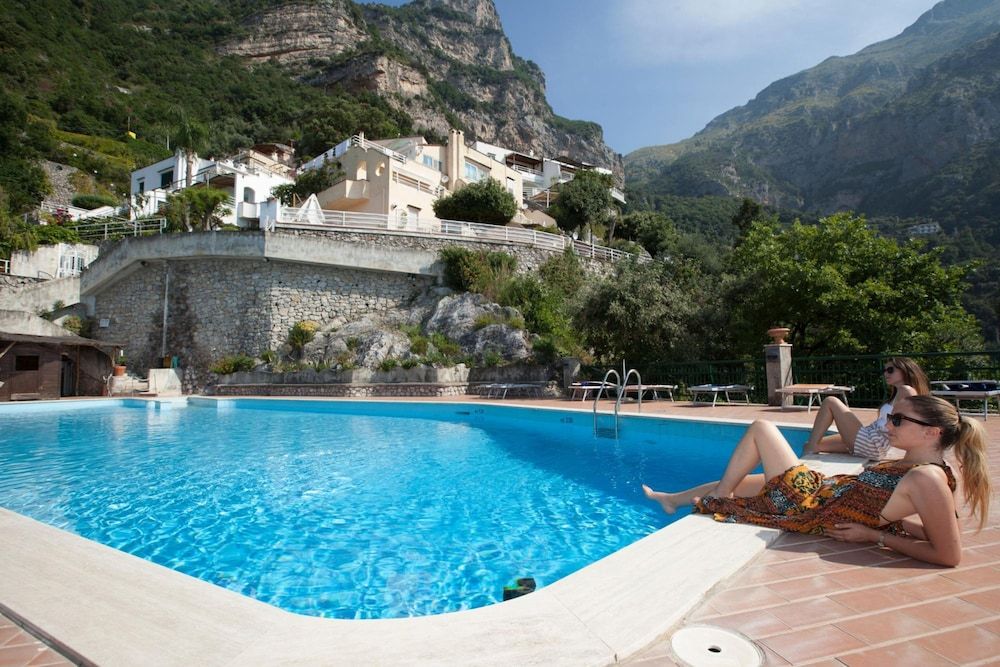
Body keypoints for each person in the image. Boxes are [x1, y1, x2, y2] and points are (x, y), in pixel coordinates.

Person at [642, 395, 990, 566]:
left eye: (898, 421)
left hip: (812, 504)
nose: (887, 425)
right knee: (749, 480)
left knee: (762, 429)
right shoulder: (915, 465)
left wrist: (875, 535)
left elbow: (948, 553)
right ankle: (673, 499)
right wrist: (890, 527)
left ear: (932, 432)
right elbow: (928, 530)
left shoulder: (928, 477)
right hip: (821, 490)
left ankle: (717, 496)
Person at [802, 357, 930, 458]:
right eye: (884, 370)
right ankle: (810, 452)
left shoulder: (906, 390)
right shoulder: (898, 392)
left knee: (831, 402)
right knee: (812, 445)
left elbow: (912, 421)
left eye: (890, 370)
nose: (886, 374)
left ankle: (798, 473)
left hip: (872, 442)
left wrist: (911, 453)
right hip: (871, 439)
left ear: (904, 370)